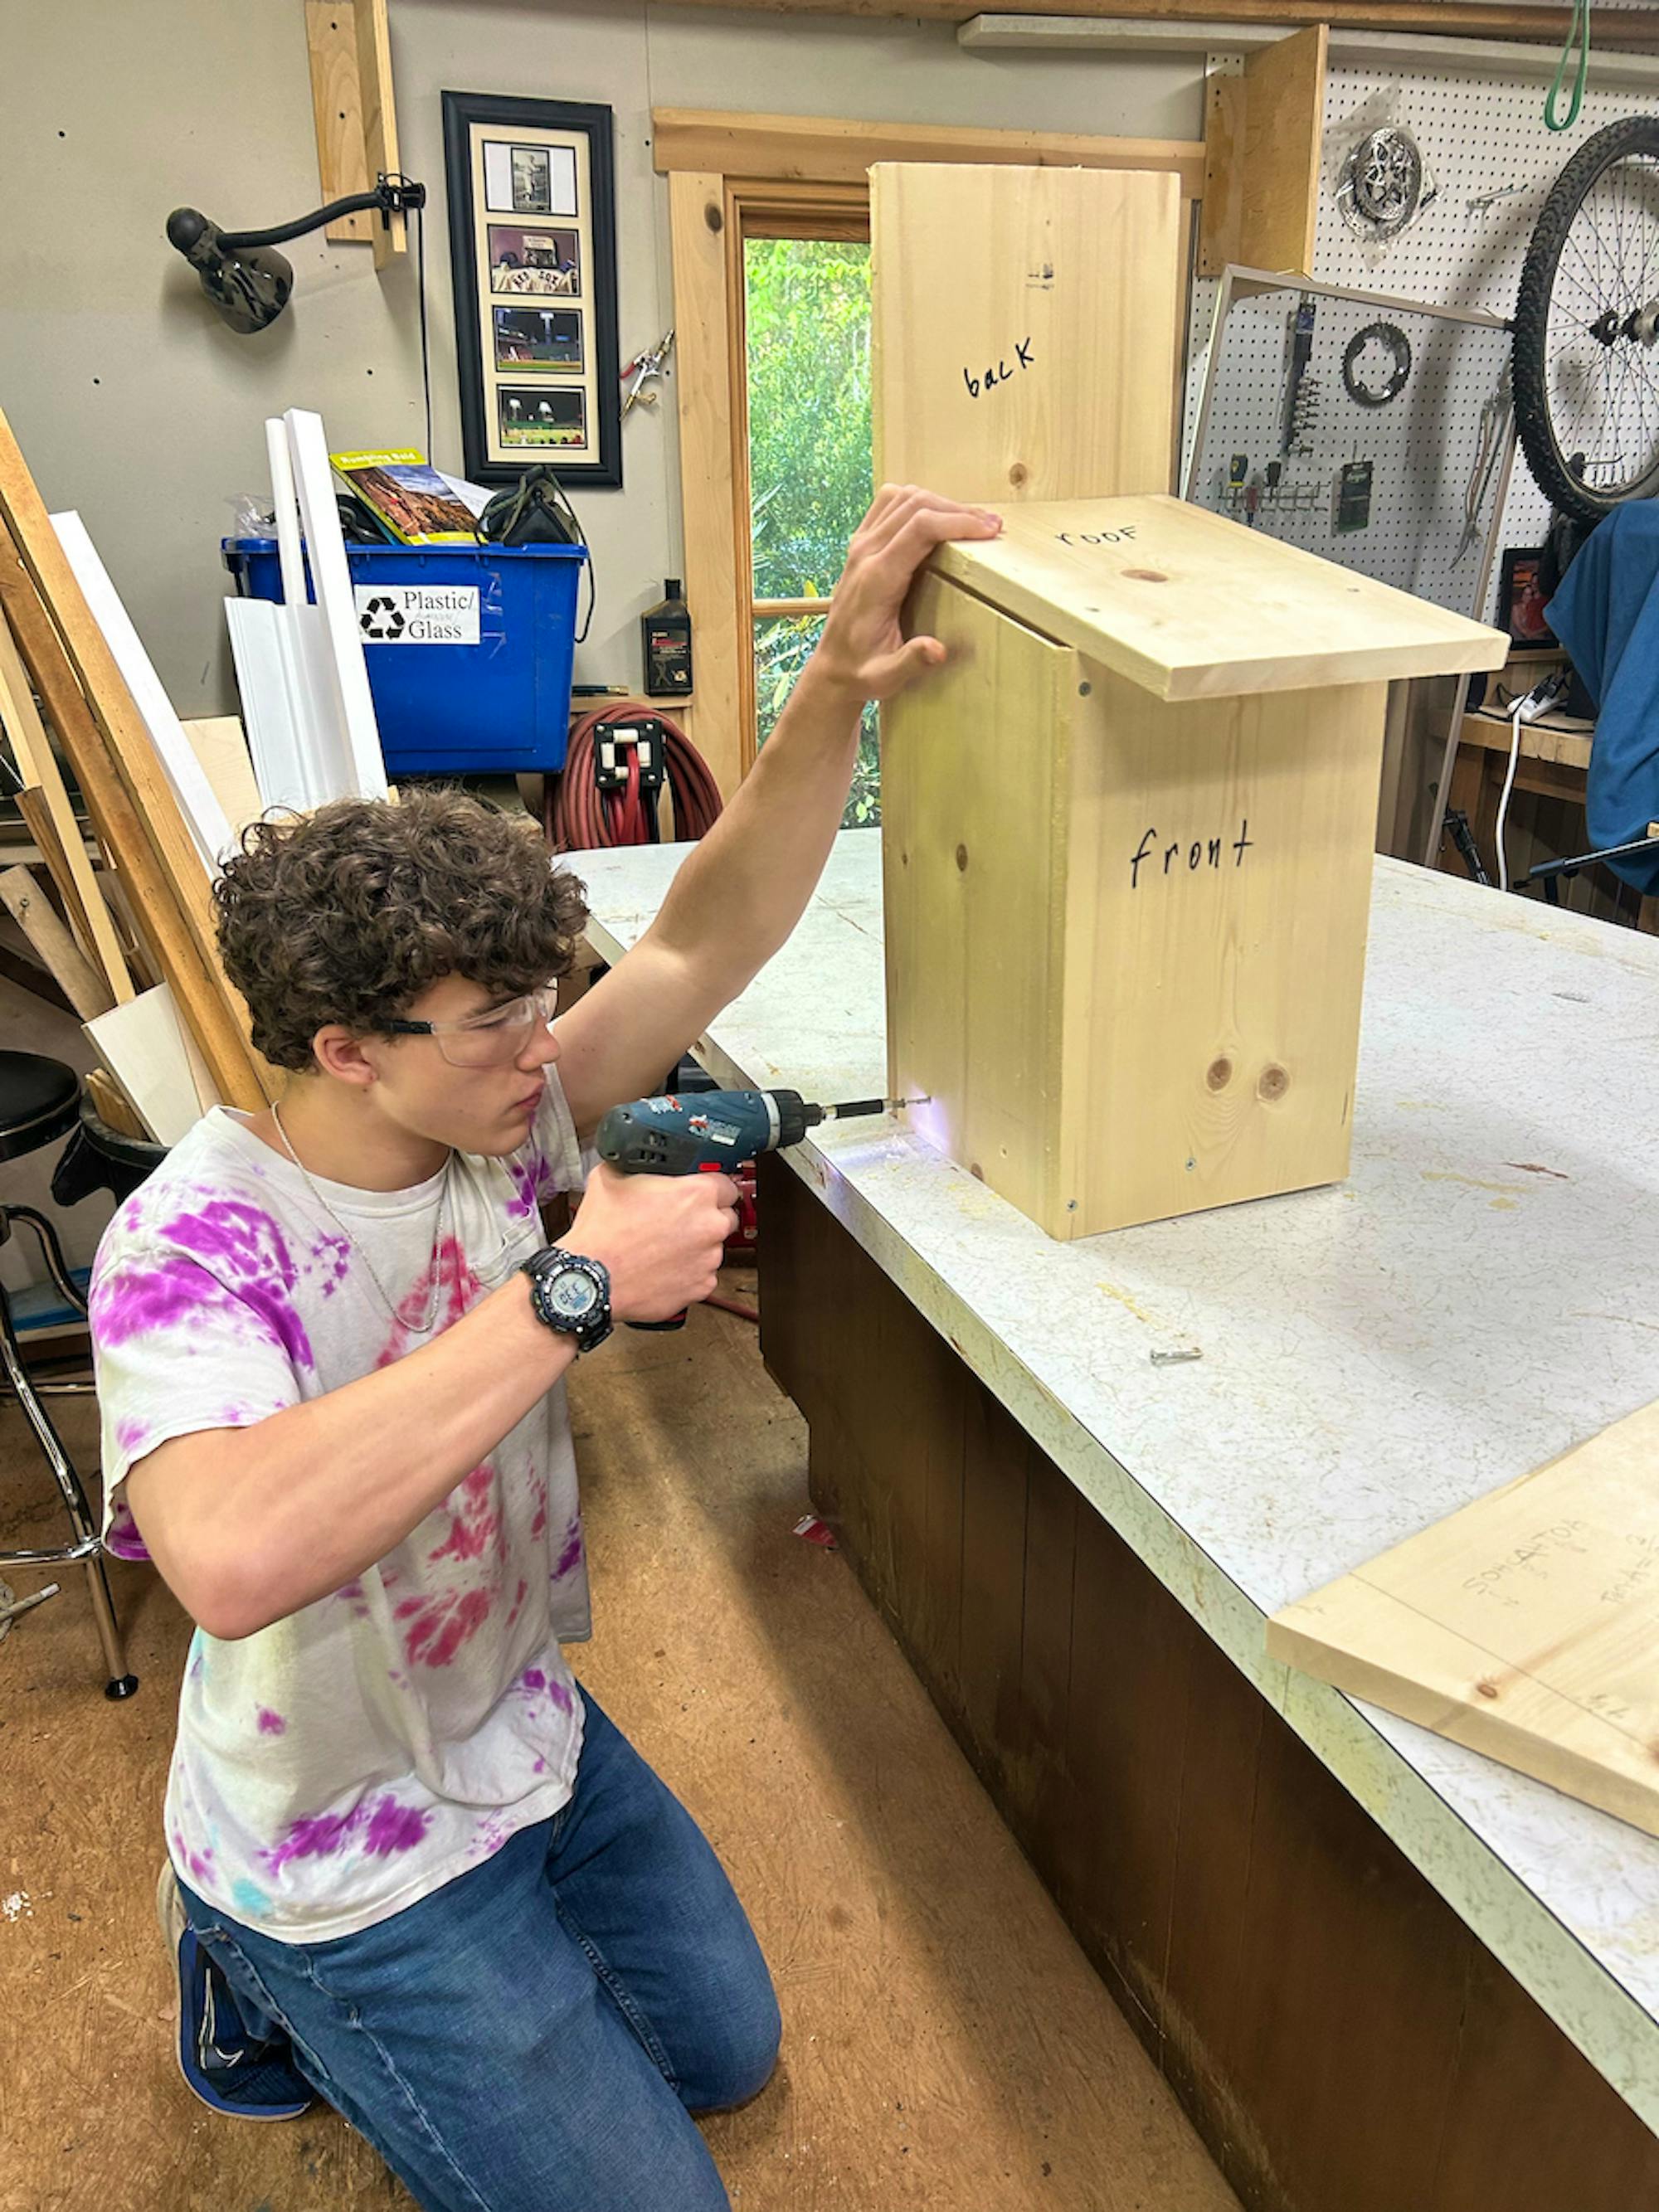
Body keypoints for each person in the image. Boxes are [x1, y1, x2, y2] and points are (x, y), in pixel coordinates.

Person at [90, 485, 1002, 2212]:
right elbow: (228, 1554)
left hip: (514, 1718)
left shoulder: (498, 1115)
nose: (544, 1044)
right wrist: (570, 1288)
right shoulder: (193, 1242)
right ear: (347, 1049)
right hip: (333, 1840)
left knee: (728, 2047)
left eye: (542, 1000)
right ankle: (241, 1965)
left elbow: (705, 932)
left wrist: (832, 686)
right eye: (496, 1017)